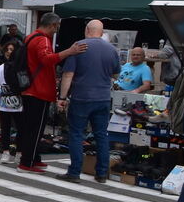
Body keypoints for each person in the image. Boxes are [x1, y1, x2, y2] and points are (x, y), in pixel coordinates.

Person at [17, 12, 87, 173]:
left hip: (30, 87)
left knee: (32, 127)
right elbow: (47, 59)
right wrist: (69, 51)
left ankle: (34, 158)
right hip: (38, 89)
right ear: (53, 25)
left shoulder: (31, 36)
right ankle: (27, 162)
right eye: (57, 26)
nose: (57, 30)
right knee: (36, 128)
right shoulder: (43, 40)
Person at [56, 20, 119, 183]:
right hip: (103, 97)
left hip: (82, 96)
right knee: (101, 135)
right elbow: (116, 75)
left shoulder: (79, 46)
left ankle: (75, 171)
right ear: (102, 31)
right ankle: (101, 173)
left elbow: (68, 75)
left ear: (87, 30)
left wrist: (62, 97)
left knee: (76, 133)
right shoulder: (112, 50)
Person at [0, 42, 24, 163]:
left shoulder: (21, 68)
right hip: (4, 104)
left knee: (21, 128)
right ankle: (5, 151)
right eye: (8, 49)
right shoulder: (0, 69)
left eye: (12, 50)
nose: (9, 52)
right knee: (5, 128)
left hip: (19, 104)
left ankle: (19, 152)